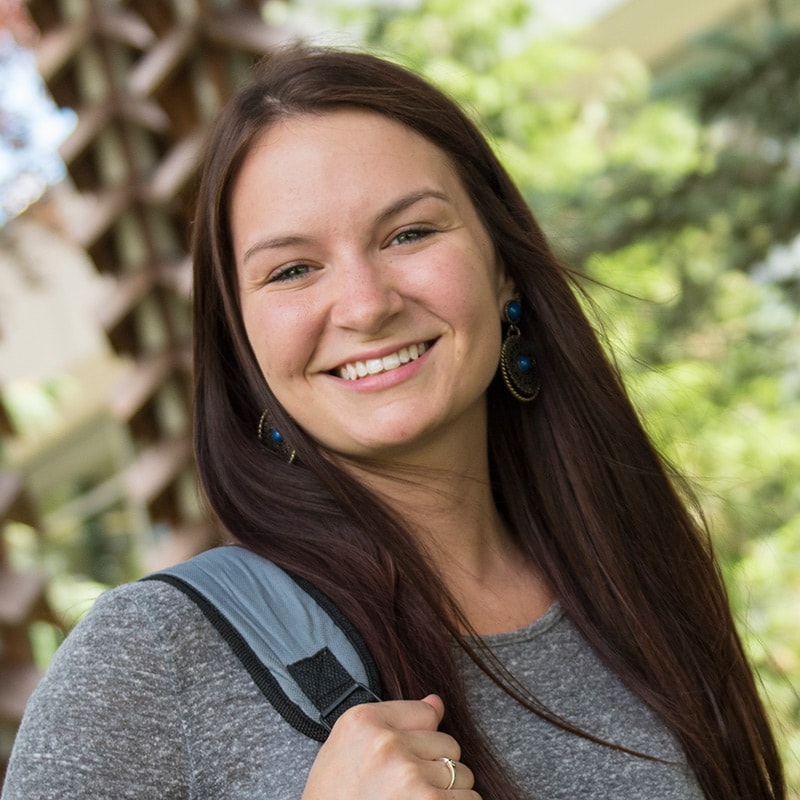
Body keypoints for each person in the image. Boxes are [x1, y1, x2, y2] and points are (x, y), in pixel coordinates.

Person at [2, 46, 785, 800]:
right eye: (293, 270)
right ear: (242, 343)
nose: (368, 304)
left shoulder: (631, 574)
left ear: (502, 263)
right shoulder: (155, 653)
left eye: (408, 233)